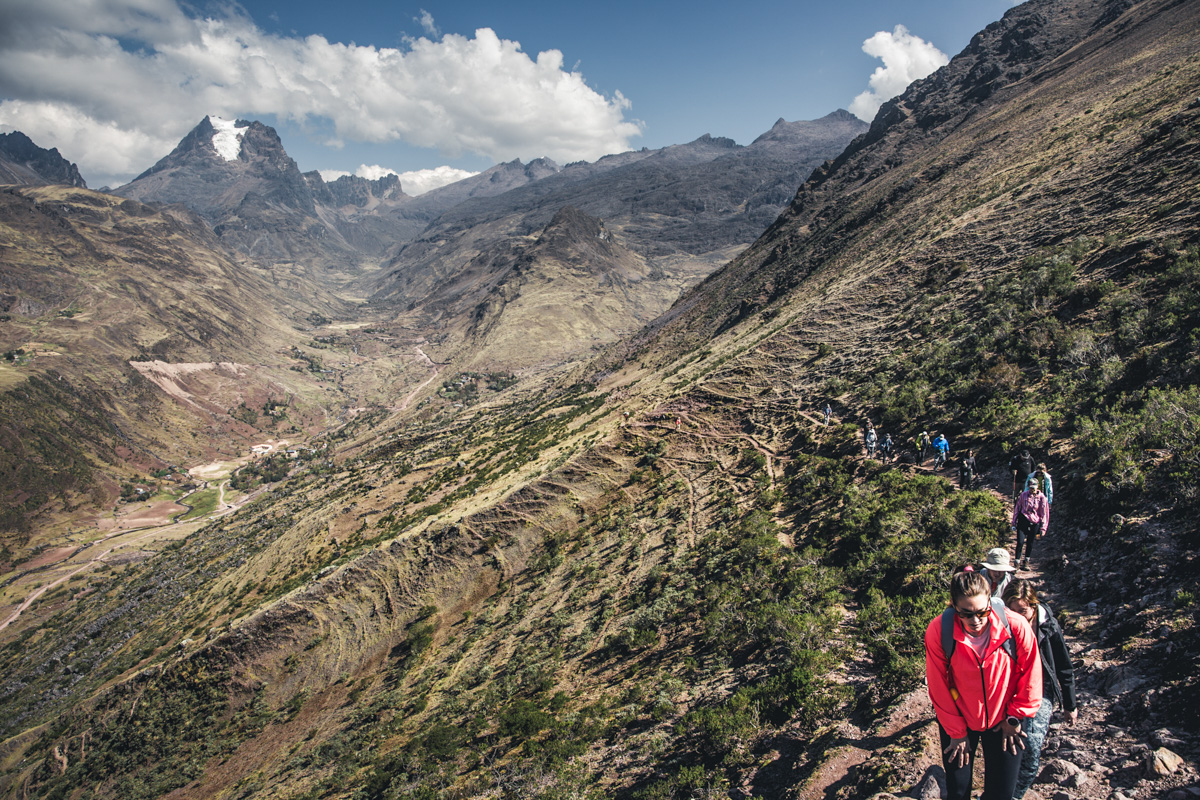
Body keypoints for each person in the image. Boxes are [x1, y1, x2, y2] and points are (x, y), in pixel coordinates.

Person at [925, 570, 1042, 800]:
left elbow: (1031, 676)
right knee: (958, 791)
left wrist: (1015, 718)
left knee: (1001, 794)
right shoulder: (940, 631)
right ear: (954, 607)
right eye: (966, 614)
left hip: (1004, 719)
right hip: (959, 719)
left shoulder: (1015, 627)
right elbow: (939, 685)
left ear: (990, 600)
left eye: (982, 612)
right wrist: (957, 733)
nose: (975, 621)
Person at [1003, 579, 1078, 800]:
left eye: (1023, 610)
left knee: (1032, 746)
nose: (1018, 615)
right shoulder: (1002, 624)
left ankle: (1014, 796)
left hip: (1041, 690)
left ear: (1033, 606)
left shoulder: (1048, 626)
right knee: (1007, 745)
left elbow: (1064, 665)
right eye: (1012, 610)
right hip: (1010, 689)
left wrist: (1069, 704)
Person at [1012, 478, 1049, 570]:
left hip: (1035, 522)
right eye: (1031, 487)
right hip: (1023, 520)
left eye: (1034, 487)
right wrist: (1014, 522)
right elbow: (1017, 508)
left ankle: (1026, 562)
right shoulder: (1023, 495)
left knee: (1030, 542)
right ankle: (1016, 562)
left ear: (1037, 487)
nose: (1032, 489)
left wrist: (1043, 528)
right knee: (1020, 542)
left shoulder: (1042, 498)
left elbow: (1044, 513)